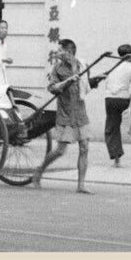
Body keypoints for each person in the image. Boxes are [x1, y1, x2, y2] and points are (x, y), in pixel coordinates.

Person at [32, 39, 93, 193]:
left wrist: (98, 79)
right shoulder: (57, 69)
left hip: (80, 112)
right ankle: (39, 170)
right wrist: (67, 81)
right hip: (65, 113)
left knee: (84, 147)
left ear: (69, 51)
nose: (57, 53)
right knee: (60, 150)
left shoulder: (82, 65)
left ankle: (81, 185)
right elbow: (52, 88)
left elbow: (87, 84)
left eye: (60, 50)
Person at [101, 43, 131, 167]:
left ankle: (116, 159)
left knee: (112, 127)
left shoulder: (112, 66)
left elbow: (106, 83)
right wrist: (130, 108)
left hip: (110, 99)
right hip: (123, 99)